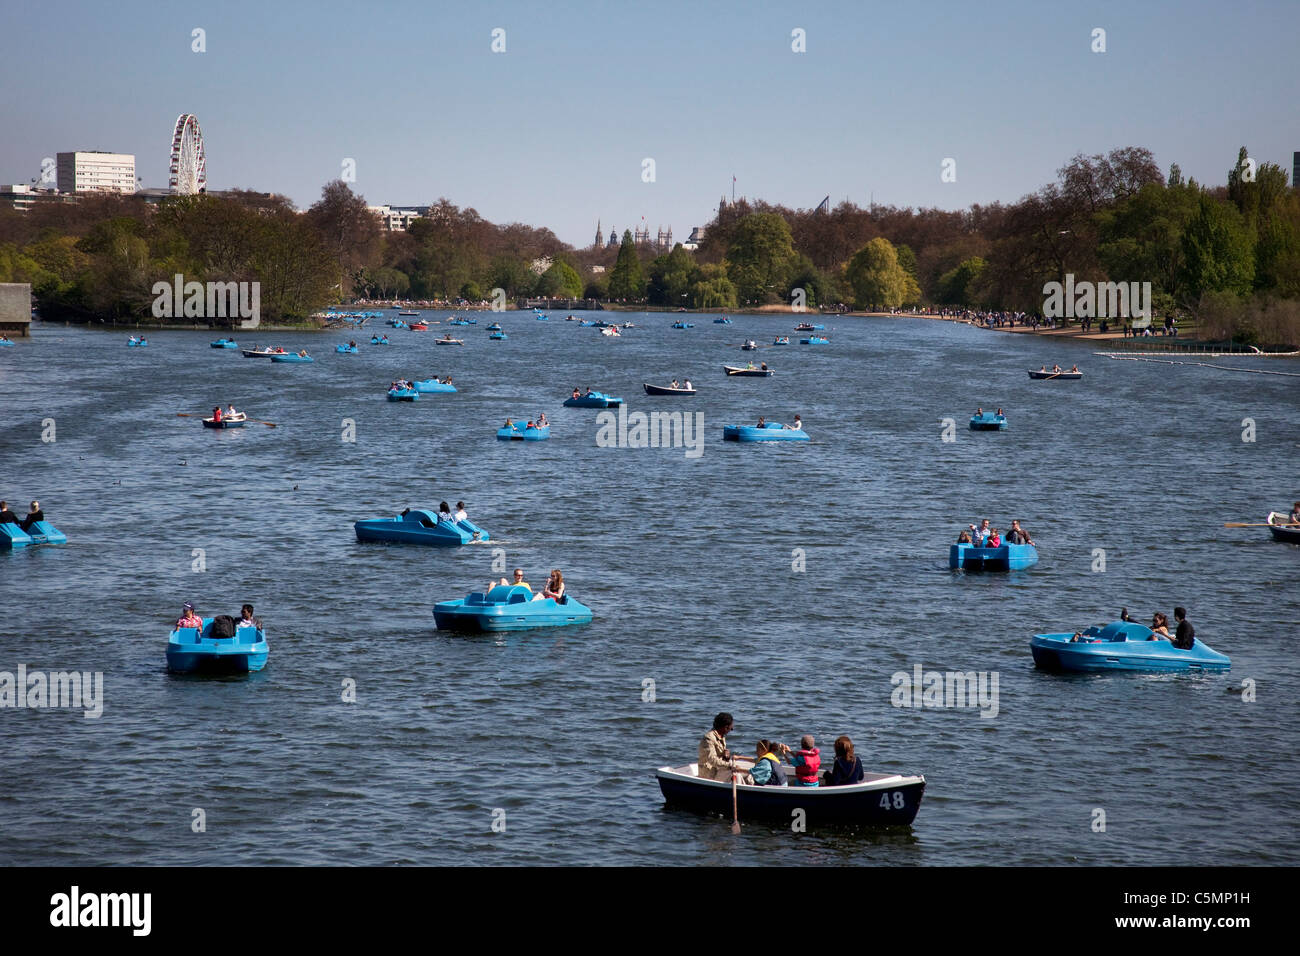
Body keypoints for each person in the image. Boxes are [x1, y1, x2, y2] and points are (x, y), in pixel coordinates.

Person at [698, 712, 741, 783]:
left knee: (745, 771)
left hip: (718, 769)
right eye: (730, 728)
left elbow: (719, 758)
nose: (731, 729)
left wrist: (726, 757)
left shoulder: (721, 735)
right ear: (725, 727)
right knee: (737, 774)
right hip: (710, 774)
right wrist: (730, 765)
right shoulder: (709, 738)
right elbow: (712, 760)